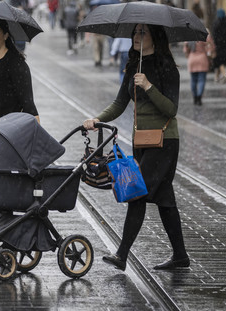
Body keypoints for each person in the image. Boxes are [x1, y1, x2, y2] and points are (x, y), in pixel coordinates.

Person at [83, 23, 189, 271]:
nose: (137, 36)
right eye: (135, 32)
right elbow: (120, 103)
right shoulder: (133, 66)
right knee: (164, 198)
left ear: (156, 37)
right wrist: (97, 119)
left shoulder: (168, 69)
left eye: (143, 32)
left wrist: (149, 87)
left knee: (137, 192)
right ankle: (181, 255)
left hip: (164, 141)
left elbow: (171, 109)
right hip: (141, 141)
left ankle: (121, 255)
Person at [183, 34, 214, 106]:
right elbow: (210, 47)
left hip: (192, 59)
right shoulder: (204, 36)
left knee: (193, 80)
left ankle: (195, 97)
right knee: (201, 80)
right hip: (202, 59)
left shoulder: (188, 37)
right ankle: (199, 97)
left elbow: (185, 50)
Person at [211, 9, 226, 82]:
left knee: (218, 61)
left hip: (217, 45)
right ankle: (217, 77)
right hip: (225, 45)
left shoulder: (215, 23)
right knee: (222, 60)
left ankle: (224, 74)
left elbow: (214, 35)